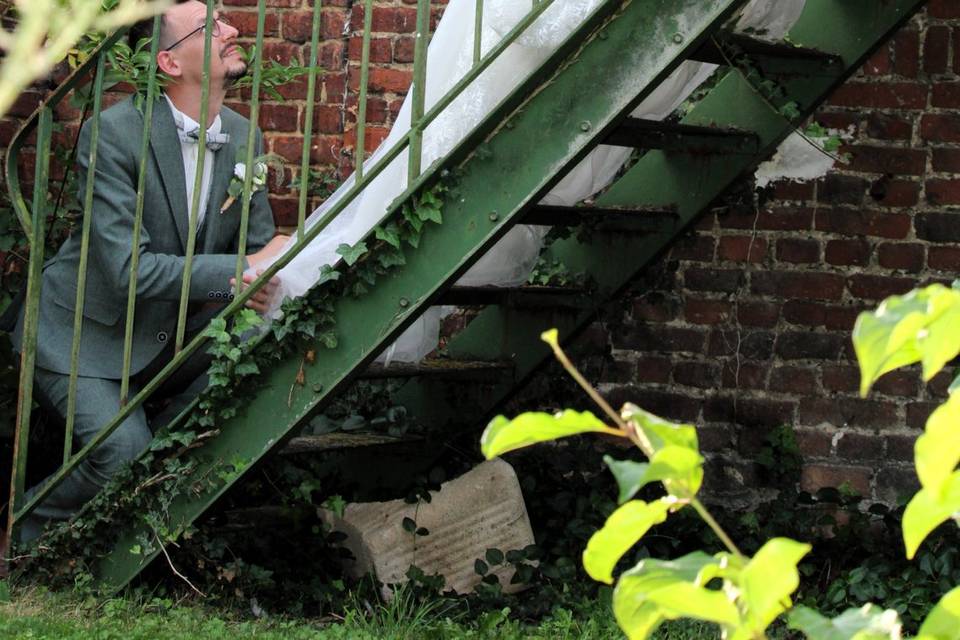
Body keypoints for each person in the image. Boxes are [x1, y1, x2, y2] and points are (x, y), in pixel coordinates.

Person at [11, 0, 288, 542]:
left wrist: (262, 278)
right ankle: (20, 538)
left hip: (166, 337)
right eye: (210, 27)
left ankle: (150, 495)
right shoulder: (113, 134)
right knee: (121, 452)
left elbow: (257, 250)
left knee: (263, 344)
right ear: (169, 63)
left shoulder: (243, 138)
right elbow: (128, 272)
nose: (232, 29)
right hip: (80, 337)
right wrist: (240, 273)